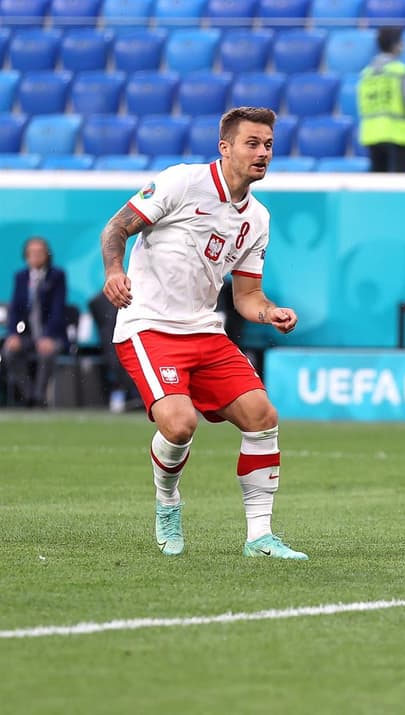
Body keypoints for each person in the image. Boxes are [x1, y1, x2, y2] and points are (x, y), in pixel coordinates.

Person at [99, 106, 308, 560]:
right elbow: (116, 227)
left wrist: (270, 312)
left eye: (268, 145)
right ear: (225, 147)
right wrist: (114, 271)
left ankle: (260, 538)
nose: (262, 153)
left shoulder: (258, 218)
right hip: (149, 325)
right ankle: (168, 501)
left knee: (262, 416)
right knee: (179, 425)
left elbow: (247, 296)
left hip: (205, 330)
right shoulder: (182, 182)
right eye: (252, 143)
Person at [3, 236, 67, 408]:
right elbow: (15, 309)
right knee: (9, 352)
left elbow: (57, 310)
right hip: (27, 335)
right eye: (32, 252)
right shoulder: (21, 277)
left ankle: (39, 397)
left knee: (47, 353)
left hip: (52, 335)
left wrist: (48, 336)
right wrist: (13, 334)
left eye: (40, 252)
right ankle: (29, 395)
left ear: (47, 254)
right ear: (26, 256)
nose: (36, 256)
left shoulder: (57, 276)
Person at [357, 27, 405, 173]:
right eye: (401, 42)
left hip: (371, 134)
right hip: (398, 134)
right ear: (395, 45)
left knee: (378, 183)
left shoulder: (366, 73)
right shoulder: (399, 70)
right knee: (402, 182)